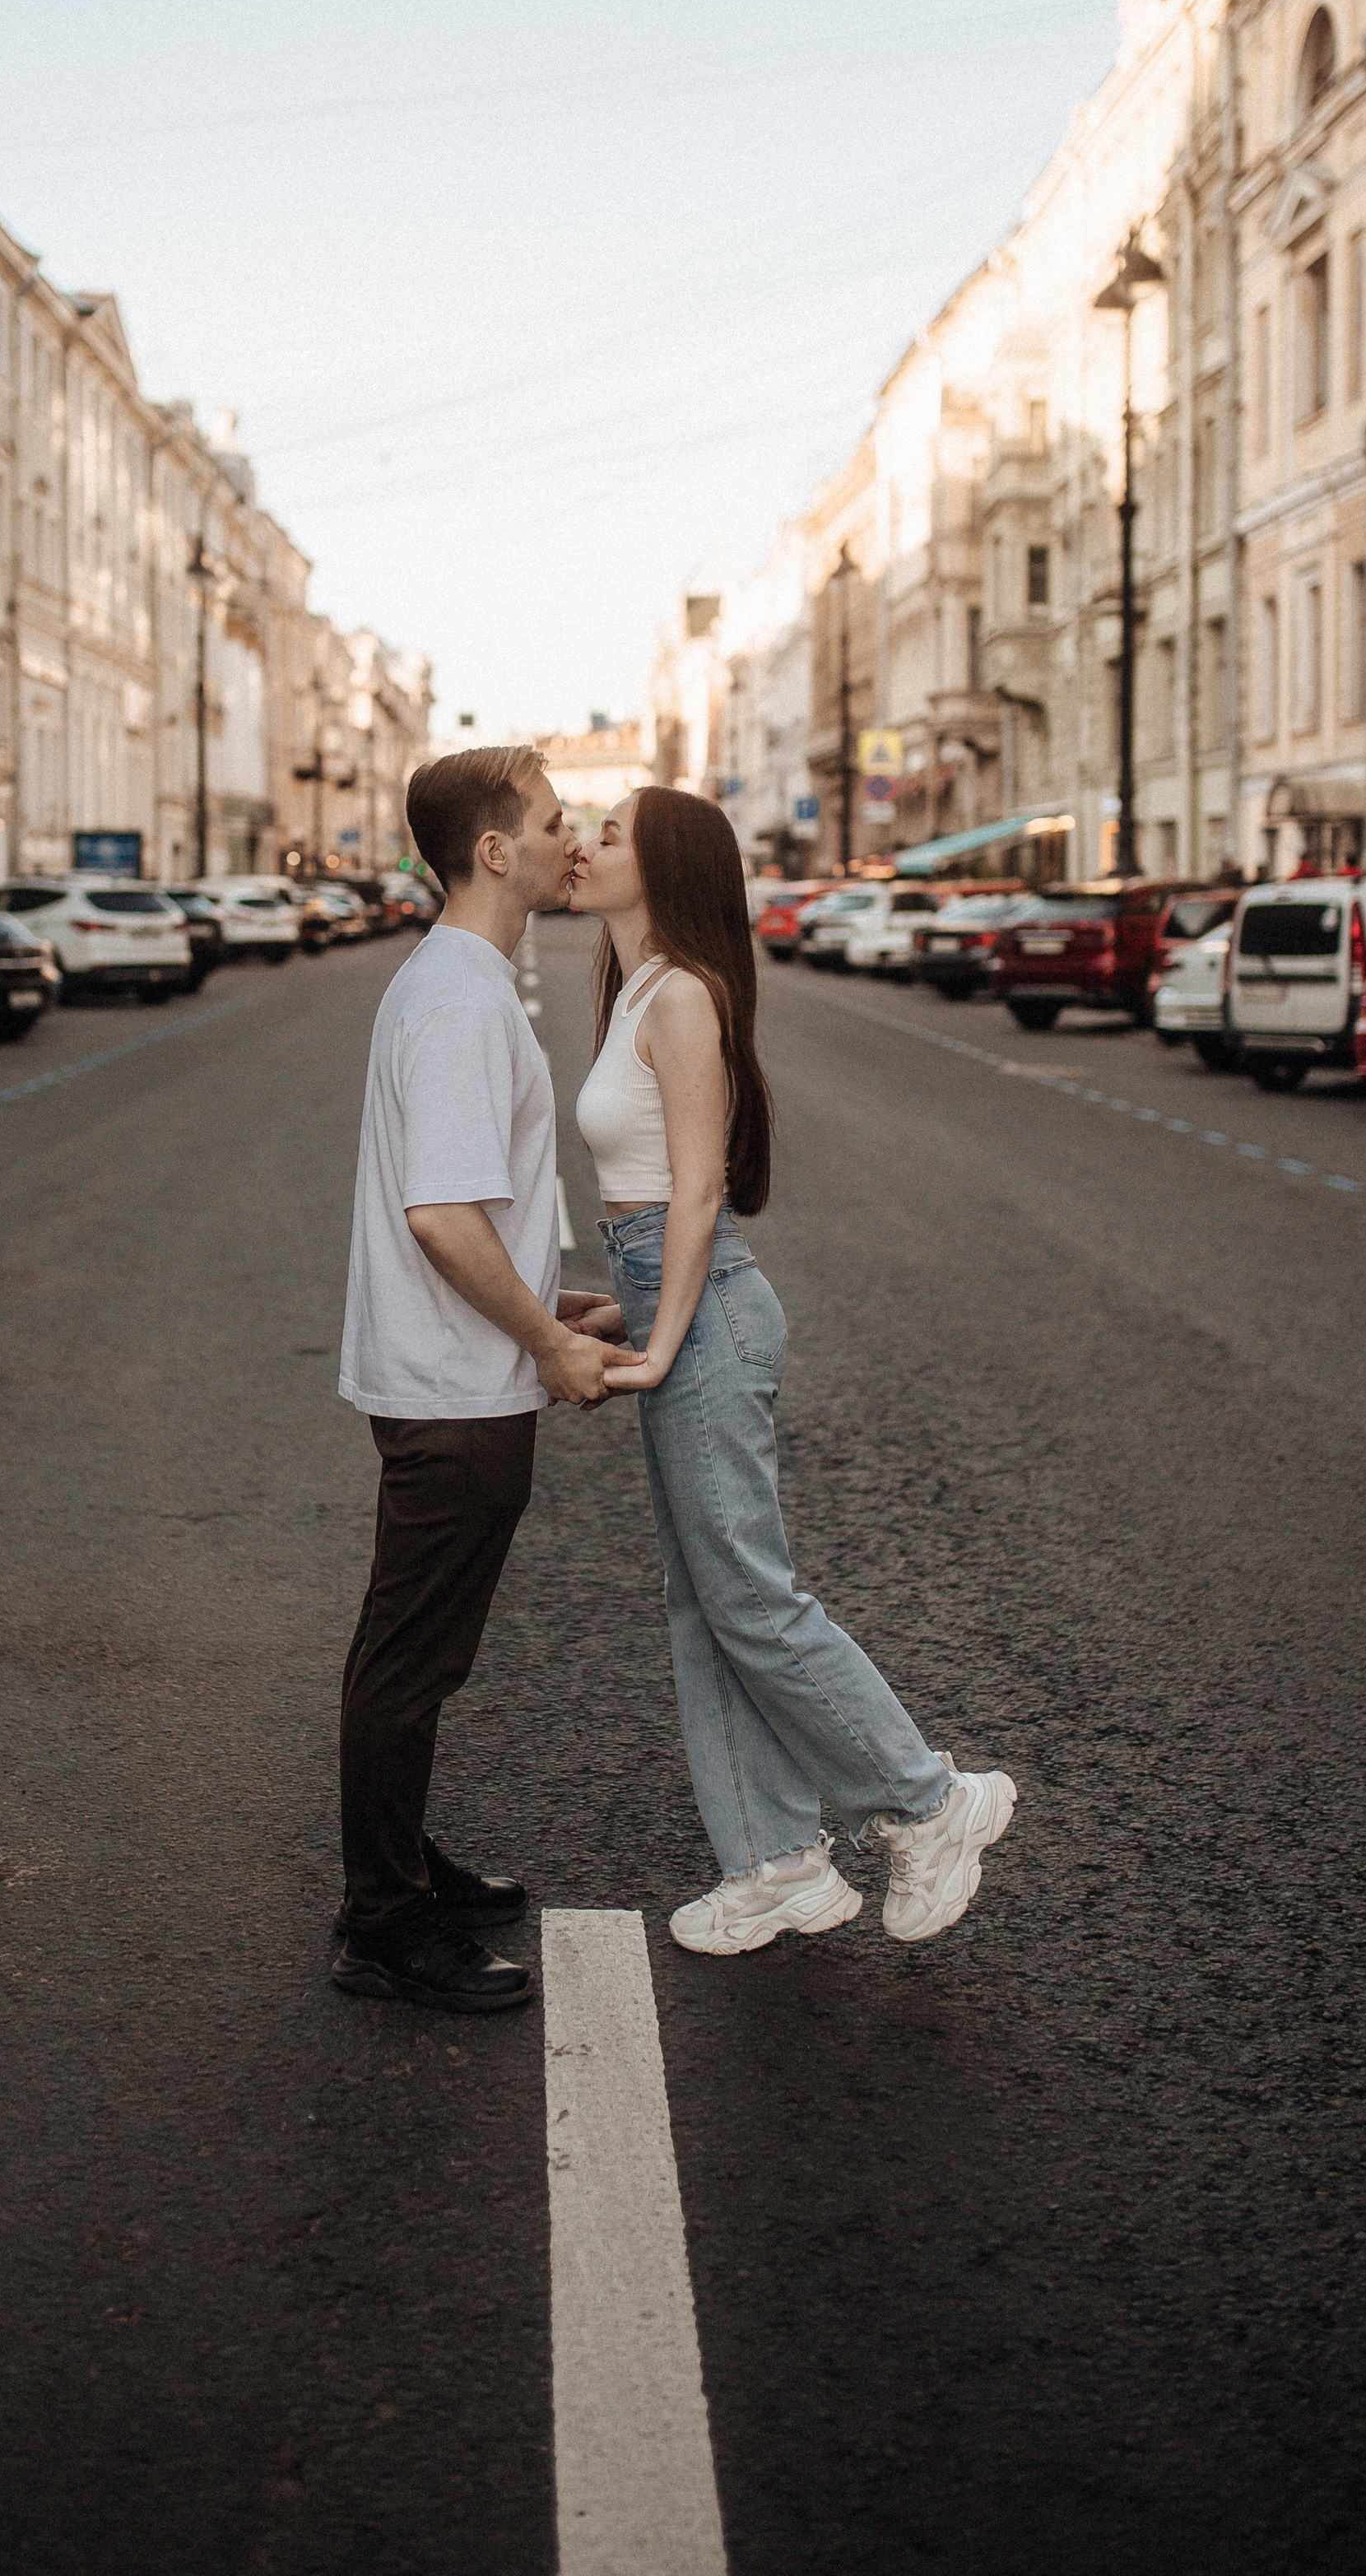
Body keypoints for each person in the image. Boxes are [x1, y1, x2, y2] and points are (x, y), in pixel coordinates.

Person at [569, 786, 1016, 1959]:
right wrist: (624, 1304)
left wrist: (662, 1338)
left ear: (663, 870)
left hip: (707, 1319)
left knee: (753, 1599)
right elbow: (656, 1205)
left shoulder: (682, 1000)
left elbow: (701, 1193)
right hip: (678, 1297)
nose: (581, 843)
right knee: (704, 1601)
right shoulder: (635, 994)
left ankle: (930, 1802)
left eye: (607, 833)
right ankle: (773, 1865)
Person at [333, 746, 628, 2014]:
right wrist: (550, 1345)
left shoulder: (462, 983)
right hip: (454, 1394)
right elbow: (444, 1219)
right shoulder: (459, 1001)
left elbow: (474, 1224)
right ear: (494, 850)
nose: (576, 841)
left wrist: (547, 1305)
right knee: (409, 1665)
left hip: (460, 1367)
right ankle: (383, 1921)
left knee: (420, 1657)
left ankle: (399, 1867)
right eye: (557, 824)